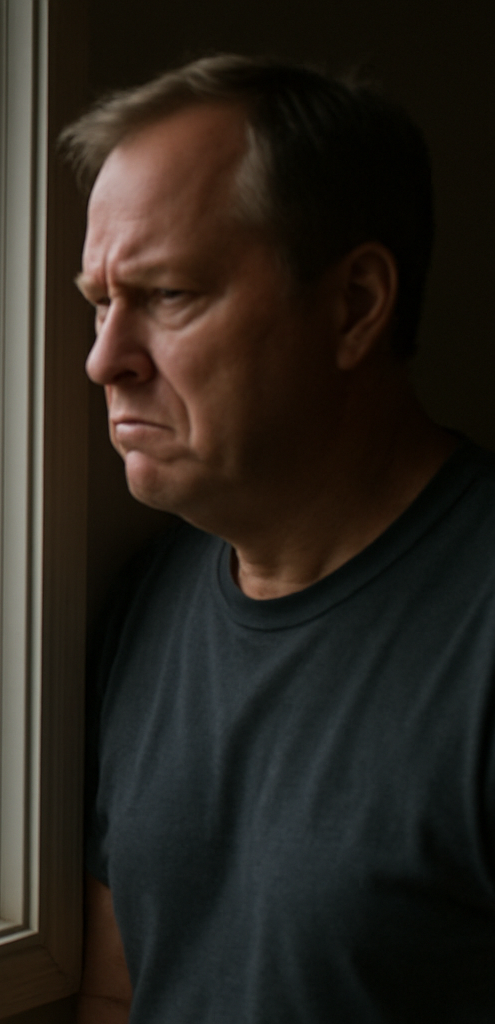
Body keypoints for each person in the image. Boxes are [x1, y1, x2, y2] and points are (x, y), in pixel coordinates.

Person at [63, 55, 495, 1023]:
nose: (103, 360)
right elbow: (115, 988)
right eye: (99, 300)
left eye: (166, 294)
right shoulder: (148, 605)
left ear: (353, 305)